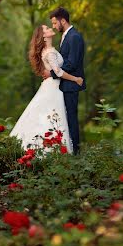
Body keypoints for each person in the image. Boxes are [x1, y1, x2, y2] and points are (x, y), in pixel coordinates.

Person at [10, 24, 84, 153]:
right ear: (43, 36)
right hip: (54, 87)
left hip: (52, 85)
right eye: (46, 29)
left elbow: (56, 70)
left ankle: (52, 147)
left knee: (51, 116)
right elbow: (59, 72)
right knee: (53, 116)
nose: (50, 28)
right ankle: (52, 149)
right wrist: (76, 79)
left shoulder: (49, 49)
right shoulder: (49, 52)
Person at [43, 7, 86, 155]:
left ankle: (76, 152)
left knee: (72, 118)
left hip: (71, 85)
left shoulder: (74, 37)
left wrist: (52, 74)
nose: (54, 26)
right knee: (66, 118)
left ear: (63, 20)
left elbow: (72, 63)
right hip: (65, 84)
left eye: (55, 23)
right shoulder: (66, 36)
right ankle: (69, 149)